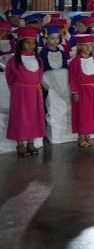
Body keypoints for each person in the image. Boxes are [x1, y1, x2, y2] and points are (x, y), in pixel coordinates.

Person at [6, 27, 45, 156]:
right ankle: (20, 144)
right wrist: (18, 89)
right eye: (28, 42)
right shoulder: (13, 60)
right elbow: (10, 78)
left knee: (34, 116)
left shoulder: (38, 60)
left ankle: (31, 142)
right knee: (20, 117)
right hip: (20, 93)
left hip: (34, 92)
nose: (31, 45)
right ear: (21, 43)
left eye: (33, 42)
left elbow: (39, 76)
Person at [68, 34, 94, 148]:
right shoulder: (75, 62)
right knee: (82, 114)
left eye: (91, 45)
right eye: (86, 46)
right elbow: (72, 79)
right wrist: (75, 92)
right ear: (79, 47)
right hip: (81, 91)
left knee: (91, 114)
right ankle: (81, 136)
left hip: (92, 91)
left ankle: (88, 135)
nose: (89, 48)